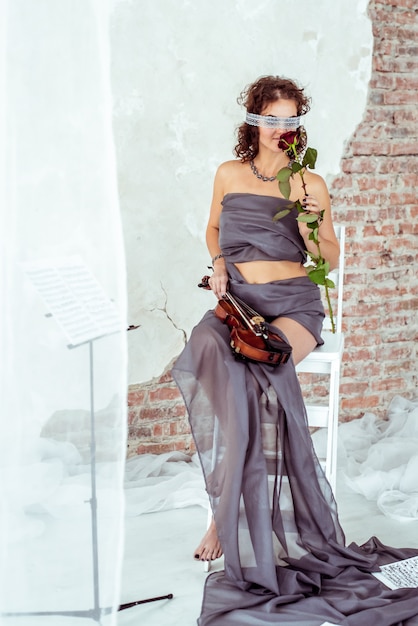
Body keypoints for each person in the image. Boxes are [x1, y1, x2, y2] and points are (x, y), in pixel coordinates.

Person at [172, 76, 418, 626]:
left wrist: (309, 220)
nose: (282, 130)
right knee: (212, 352)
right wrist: (217, 264)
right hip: (238, 301)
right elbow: (215, 229)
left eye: (291, 120)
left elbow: (327, 259)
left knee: (261, 375)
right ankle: (229, 509)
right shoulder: (228, 174)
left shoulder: (311, 181)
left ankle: (226, 516)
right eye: (272, 119)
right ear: (254, 122)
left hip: (293, 303)